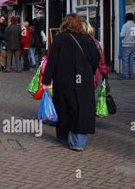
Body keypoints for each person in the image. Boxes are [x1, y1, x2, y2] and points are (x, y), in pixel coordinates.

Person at [42, 14, 100, 151]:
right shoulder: (88, 39)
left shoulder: (59, 38)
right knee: (81, 110)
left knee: (64, 107)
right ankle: (78, 143)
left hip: (63, 80)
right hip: (84, 80)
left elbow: (52, 61)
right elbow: (96, 58)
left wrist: (46, 80)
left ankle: (62, 136)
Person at [83, 22, 108, 87]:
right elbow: (101, 59)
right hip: (93, 76)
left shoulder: (74, 41)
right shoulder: (95, 42)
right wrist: (104, 72)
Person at [120, 13, 135, 80]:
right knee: (131, 60)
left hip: (126, 45)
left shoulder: (125, 25)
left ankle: (125, 75)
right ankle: (131, 75)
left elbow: (122, 35)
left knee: (125, 60)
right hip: (133, 45)